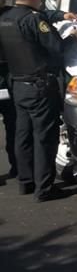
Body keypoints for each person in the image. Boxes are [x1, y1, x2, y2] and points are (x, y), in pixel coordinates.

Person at [0, 0, 77, 201]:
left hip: (17, 84)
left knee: (23, 134)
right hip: (40, 87)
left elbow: (44, 16)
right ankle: (44, 188)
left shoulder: (5, 18)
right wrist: (73, 38)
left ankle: (25, 182)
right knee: (45, 137)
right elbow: (57, 48)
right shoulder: (33, 20)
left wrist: (60, 15)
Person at [0, 9, 16, 181]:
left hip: (8, 76)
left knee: (14, 124)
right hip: (7, 77)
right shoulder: (7, 16)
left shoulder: (8, 14)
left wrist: (58, 14)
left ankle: (17, 166)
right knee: (14, 124)